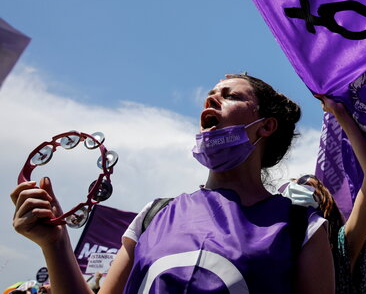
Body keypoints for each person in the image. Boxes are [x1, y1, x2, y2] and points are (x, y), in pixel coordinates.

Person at [11, 74, 335, 293]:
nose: (211, 101)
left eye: (229, 96)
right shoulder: (155, 214)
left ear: (265, 127)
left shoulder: (300, 228)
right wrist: (55, 244)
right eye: (209, 97)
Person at [285, 95, 366, 294]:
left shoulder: (342, 246)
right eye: (295, 185)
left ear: (324, 204)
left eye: (308, 187)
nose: (299, 189)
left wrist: (340, 113)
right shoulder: (277, 246)